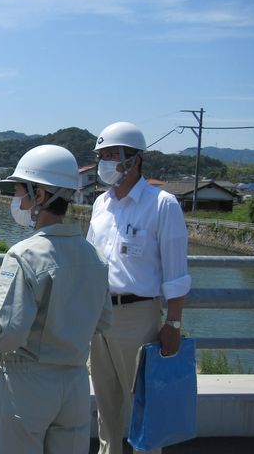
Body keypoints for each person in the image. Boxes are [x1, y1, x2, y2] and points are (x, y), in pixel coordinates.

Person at [0, 144, 113, 454]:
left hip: (27, 384)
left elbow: (8, 331)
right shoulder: (95, 257)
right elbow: (103, 321)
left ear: (40, 195)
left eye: (21, 191)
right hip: (75, 382)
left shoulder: (23, 255)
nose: (17, 201)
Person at [88, 121, 192, 454]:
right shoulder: (101, 205)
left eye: (111, 155)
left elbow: (176, 273)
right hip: (99, 315)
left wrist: (173, 323)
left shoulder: (161, 204)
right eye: (101, 155)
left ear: (134, 159)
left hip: (138, 315)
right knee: (106, 406)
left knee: (141, 406)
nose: (104, 163)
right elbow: (91, 262)